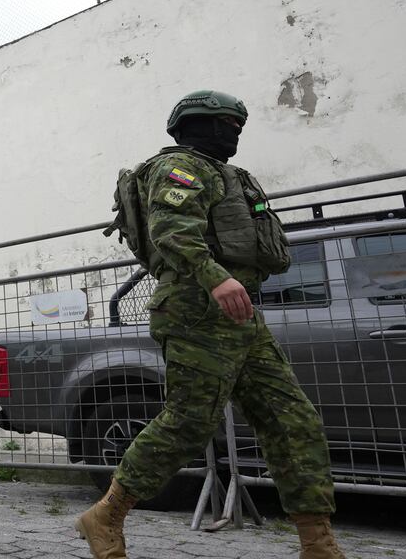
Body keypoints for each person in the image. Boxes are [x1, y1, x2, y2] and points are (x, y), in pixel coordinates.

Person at [76, 90, 342, 559]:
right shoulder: (178, 168)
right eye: (225, 125)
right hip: (194, 308)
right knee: (189, 423)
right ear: (197, 125)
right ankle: (107, 515)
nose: (233, 134)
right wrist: (214, 277)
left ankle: (317, 543)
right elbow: (171, 229)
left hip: (241, 315)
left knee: (293, 420)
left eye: (238, 127)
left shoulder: (233, 176)